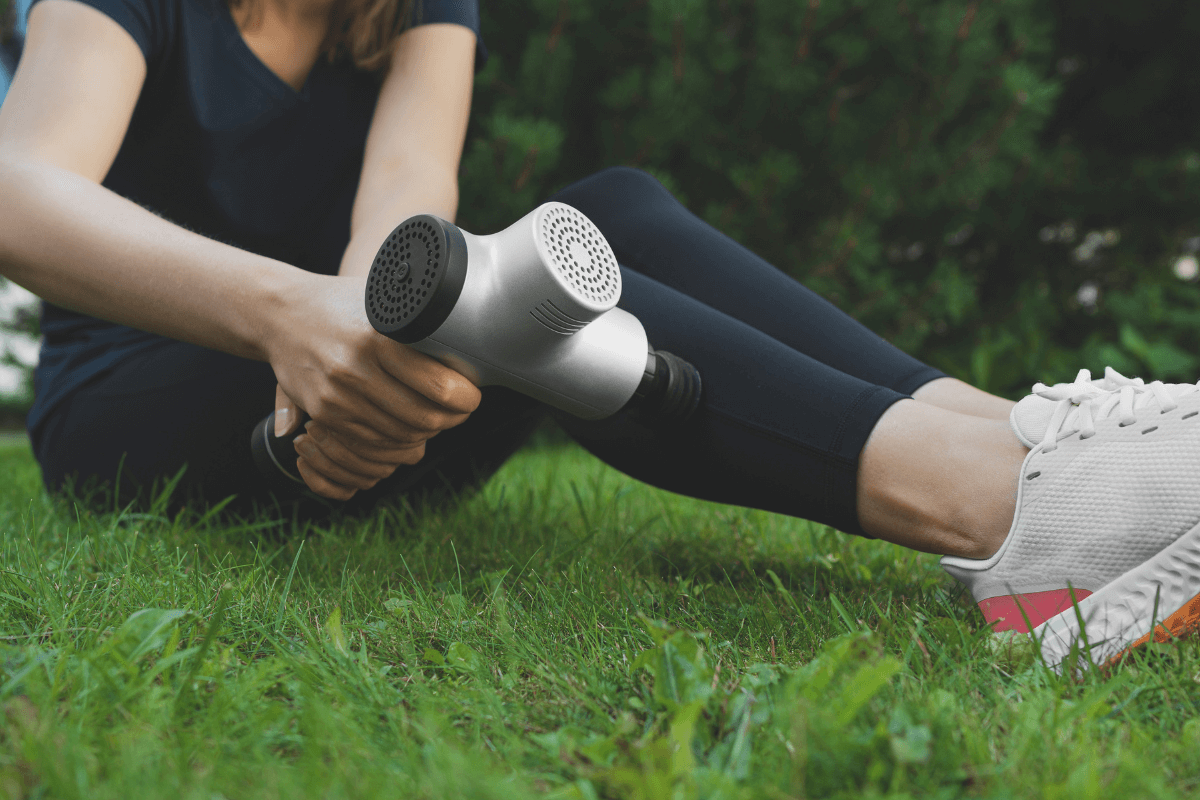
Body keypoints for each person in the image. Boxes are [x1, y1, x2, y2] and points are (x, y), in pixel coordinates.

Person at [1, 0, 1197, 667]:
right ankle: (1009, 514)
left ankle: (1038, 443)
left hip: (357, 416)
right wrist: (287, 315)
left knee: (601, 217)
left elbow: (406, 220)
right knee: (533, 291)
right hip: (140, 405)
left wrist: (367, 349)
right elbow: (21, 192)